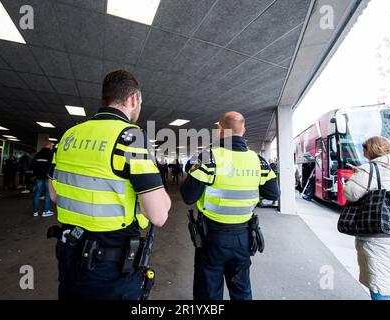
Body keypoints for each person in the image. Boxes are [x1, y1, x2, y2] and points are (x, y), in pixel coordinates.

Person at [48, 70, 171, 300]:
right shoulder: (131, 138)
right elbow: (158, 216)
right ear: (133, 99)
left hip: (69, 260)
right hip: (111, 270)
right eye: (140, 103)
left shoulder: (68, 136)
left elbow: (54, 194)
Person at [180, 112, 280, 300]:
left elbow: (188, 196)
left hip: (212, 238)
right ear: (243, 131)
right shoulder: (258, 161)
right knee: (241, 291)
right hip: (244, 237)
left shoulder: (209, 158)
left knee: (208, 293)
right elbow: (274, 193)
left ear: (220, 130)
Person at [343, 136, 390, 300]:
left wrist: (357, 174)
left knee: (380, 281)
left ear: (370, 150)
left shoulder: (369, 169)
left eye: (365, 151)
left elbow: (350, 193)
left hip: (378, 233)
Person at [31, 144, 54, 217]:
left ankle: (35, 212)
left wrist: (36, 174)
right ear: (50, 147)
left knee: (37, 193)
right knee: (47, 194)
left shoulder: (37, 154)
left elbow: (33, 165)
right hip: (47, 176)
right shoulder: (51, 154)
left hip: (39, 176)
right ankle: (45, 211)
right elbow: (53, 165)